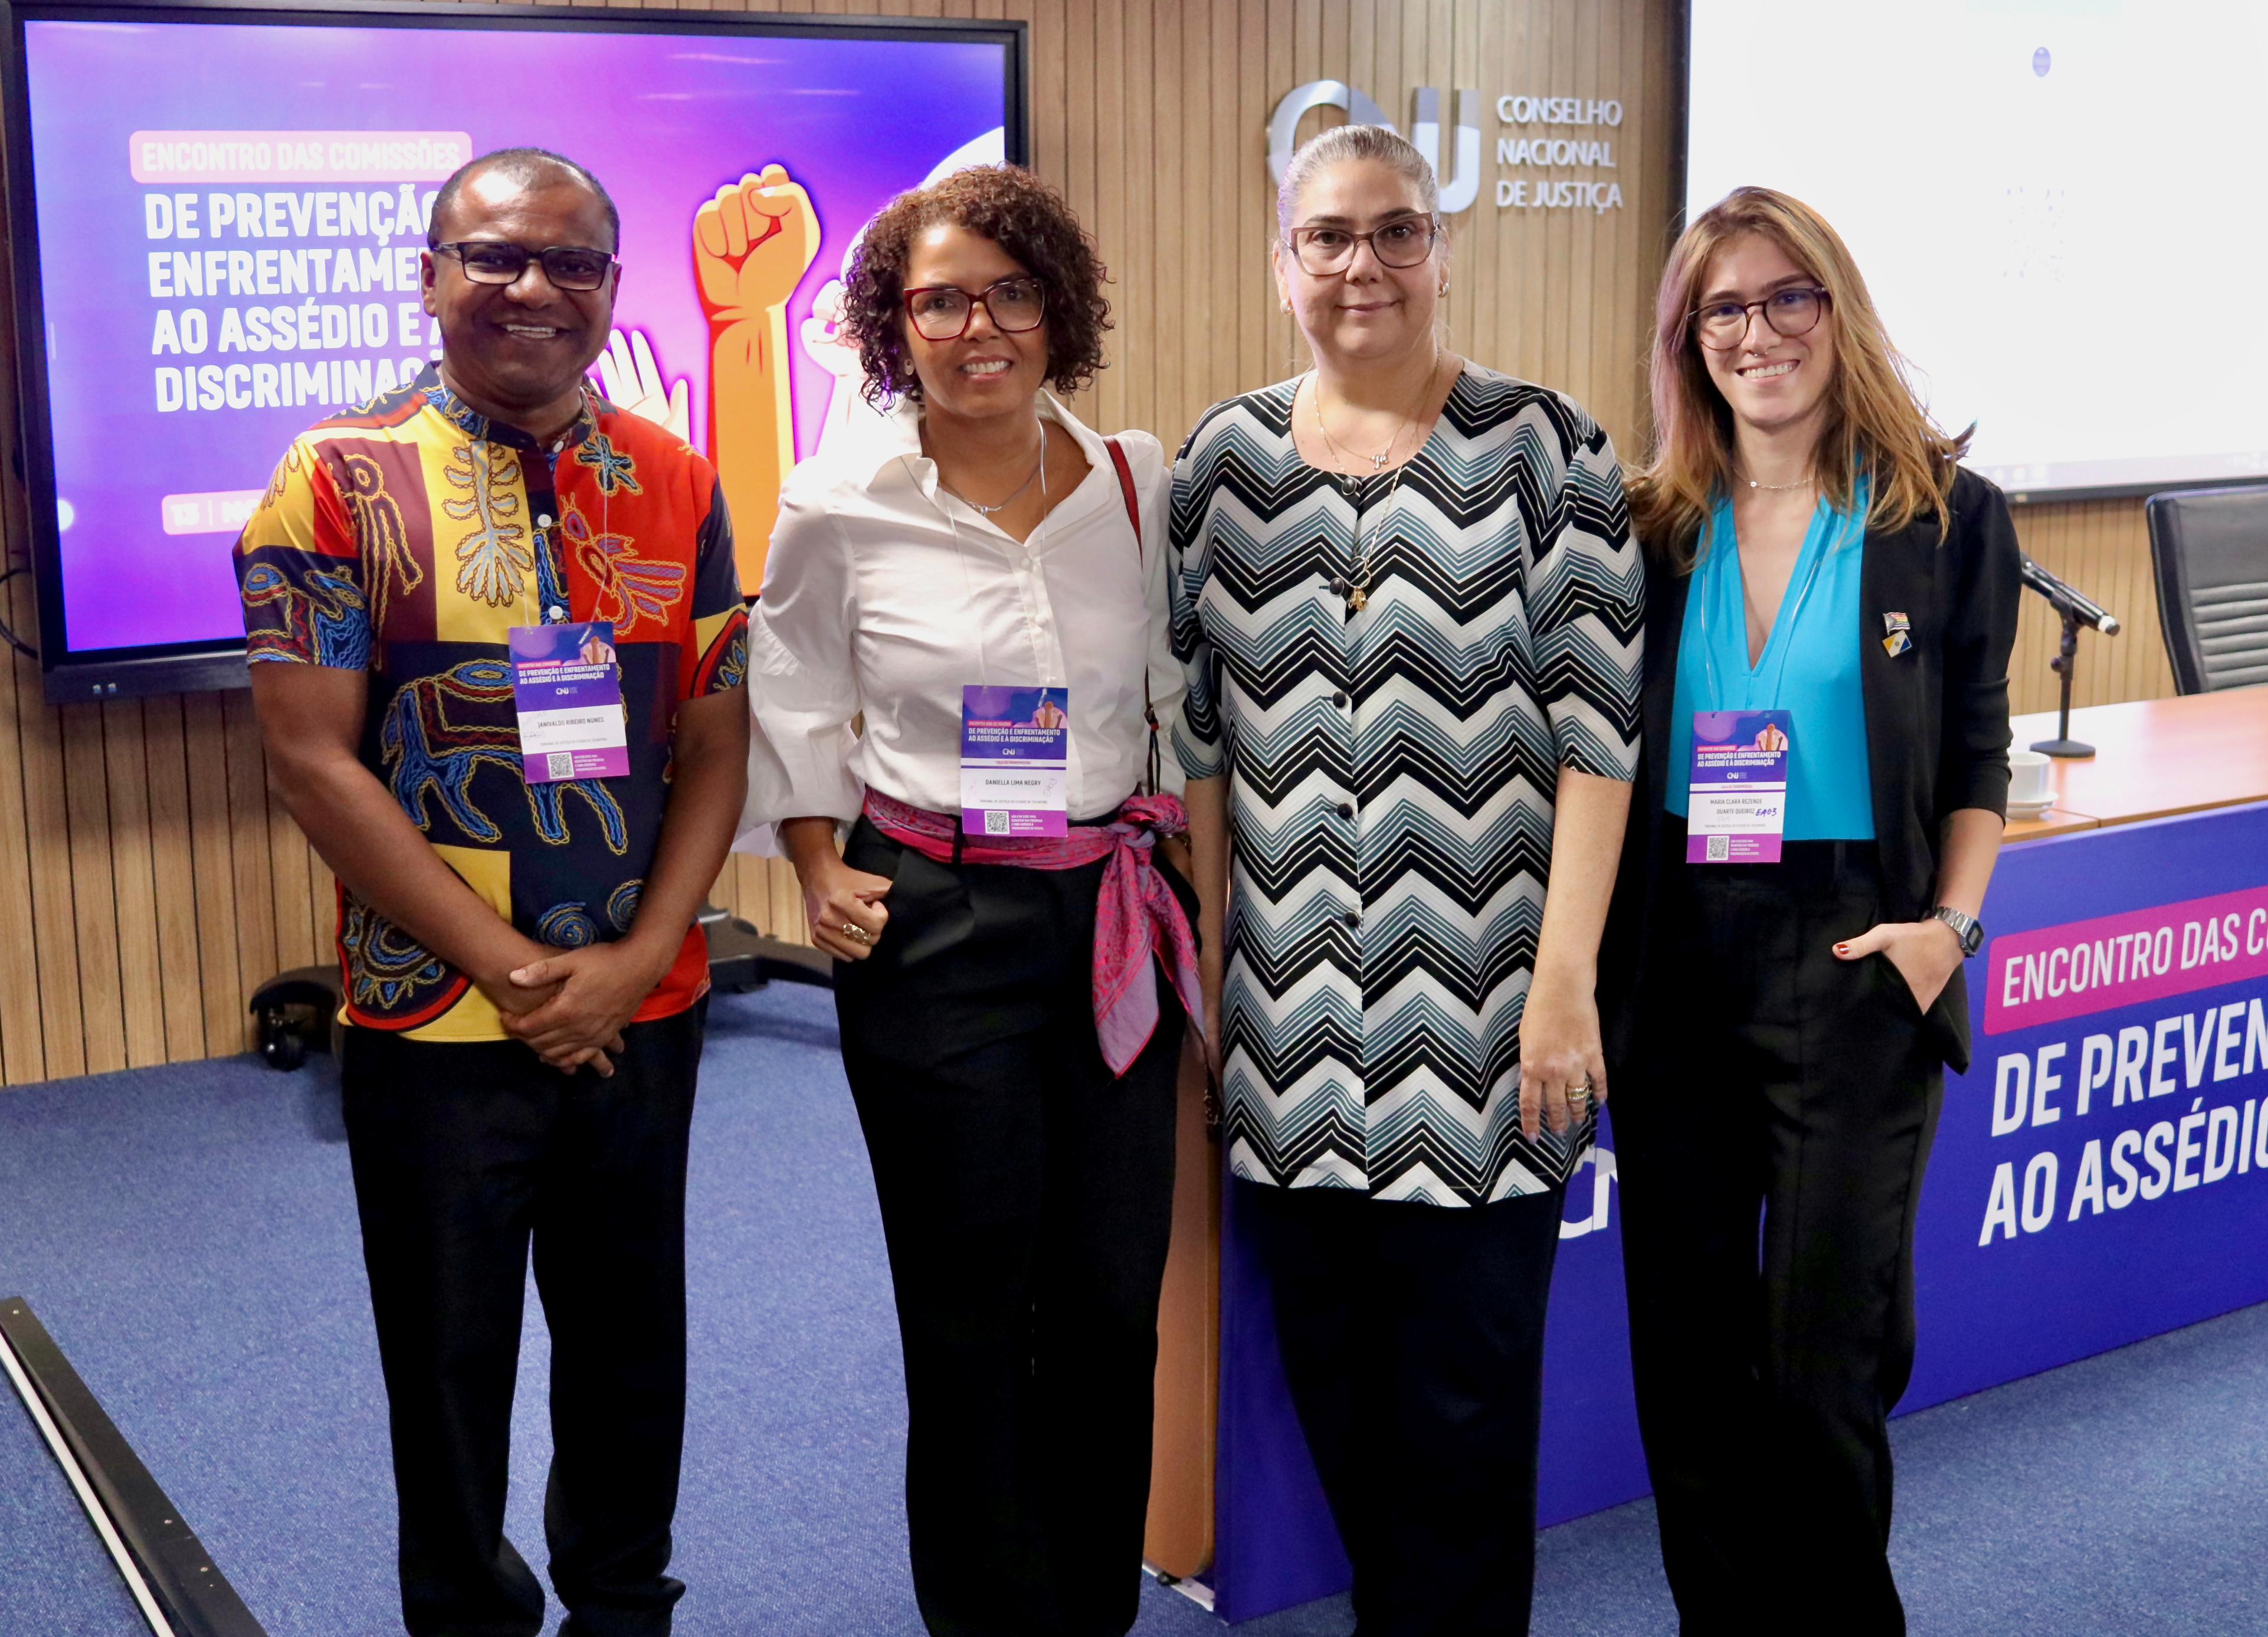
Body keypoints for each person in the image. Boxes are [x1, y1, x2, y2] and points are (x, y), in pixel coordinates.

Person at [236, 148, 750, 1637]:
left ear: (610, 289)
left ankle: (621, 1605)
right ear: (432, 275)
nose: (534, 289)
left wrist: (646, 950)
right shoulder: (334, 479)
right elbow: (314, 765)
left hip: (644, 1005)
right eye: (496, 257)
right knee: (451, 1364)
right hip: (434, 1018)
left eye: (573, 263)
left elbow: (713, 732)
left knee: (630, 1347)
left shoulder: (675, 477)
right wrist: (521, 975)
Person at [1171, 124, 1642, 1634]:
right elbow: (1199, 756)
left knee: (1459, 1427)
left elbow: (1599, 741)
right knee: (1340, 1416)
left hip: (1490, 1029)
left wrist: (1562, 988)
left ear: (1441, 251)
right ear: (1282, 262)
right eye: (1327, 236)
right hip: (1285, 1041)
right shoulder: (1219, 464)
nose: (1360, 263)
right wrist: (1205, 985)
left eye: (1393, 231)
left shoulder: (1544, 448)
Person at [740, 165, 1194, 1637]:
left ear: (1057, 310)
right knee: (970, 1309)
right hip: (930, 922)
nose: (979, 326)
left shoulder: (1138, 480)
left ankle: (1088, 1606)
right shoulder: (839, 502)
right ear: (894, 324)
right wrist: (814, 865)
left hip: (1109, 915)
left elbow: (1182, 700)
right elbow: (795, 687)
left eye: (1010, 292)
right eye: (942, 298)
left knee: (1112, 1295)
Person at [1598, 185, 2020, 1633]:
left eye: (1790, 297)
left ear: (1838, 311)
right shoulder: (1645, 526)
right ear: (1686, 338)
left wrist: (1945, 932)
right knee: (1691, 1359)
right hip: (1677, 959)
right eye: (1725, 307)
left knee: (1825, 1359)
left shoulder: (1947, 519)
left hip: (1855, 950)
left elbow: (1977, 756)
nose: (1759, 331)